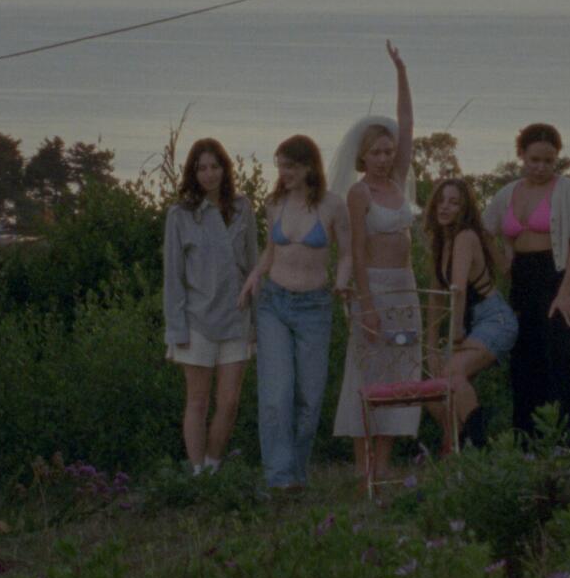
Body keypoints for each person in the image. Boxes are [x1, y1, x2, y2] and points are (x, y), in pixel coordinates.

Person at [330, 40, 421, 481]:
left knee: (399, 376)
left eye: (389, 151)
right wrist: (365, 305)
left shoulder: (400, 181)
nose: (386, 158)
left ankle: (383, 470)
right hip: (375, 291)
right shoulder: (359, 193)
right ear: (364, 156)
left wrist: (400, 72)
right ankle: (363, 471)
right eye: (378, 153)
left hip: (406, 288)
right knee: (367, 377)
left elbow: (407, 122)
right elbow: (358, 254)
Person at [239, 135, 351, 490]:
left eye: (290, 166)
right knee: (276, 394)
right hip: (274, 303)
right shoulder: (275, 203)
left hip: (314, 308)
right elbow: (271, 252)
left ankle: (296, 473)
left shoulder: (333, 206)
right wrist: (255, 275)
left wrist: (343, 283)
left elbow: (347, 253)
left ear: (308, 167)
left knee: (308, 397)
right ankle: (279, 479)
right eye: (281, 167)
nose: (283, 173)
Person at [483, 123, 570, 441]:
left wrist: (566, 293)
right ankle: (525, 444)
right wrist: (504, 265)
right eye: (535, 160)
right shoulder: (506, 194)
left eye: (548, 160)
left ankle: (564, 444)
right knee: (524, 364)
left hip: (558, 277)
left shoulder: (567, 190)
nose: (541, 167)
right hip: (523, 280)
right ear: (522, 156)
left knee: (558, 361)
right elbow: (484, 230)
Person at [163, 138, 258, 475]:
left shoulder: (243, 208)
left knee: (229, 402)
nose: (208, 174)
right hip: (196, 322)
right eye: (201, 168)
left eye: (214, 166)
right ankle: (198, 473)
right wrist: (176, 330)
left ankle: (214, 467)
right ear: (193, 172)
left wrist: (257, 322)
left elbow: (254, 265)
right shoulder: (180, 216)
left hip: (237, 318)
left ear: (224, 169)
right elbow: (173, 277)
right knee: (198, 401)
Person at [424, 178, 518, 450]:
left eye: (454, 203)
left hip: (493, 319)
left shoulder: (465, 237)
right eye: (441, 201)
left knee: (453, 373)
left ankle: (480, 448)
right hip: (467, 322)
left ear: (464, 209)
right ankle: (455, 451)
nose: (445, 207)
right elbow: (435, 297)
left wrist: (454, 337)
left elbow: (458, 291)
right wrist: (431, 346)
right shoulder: (441, 241)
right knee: (433, 391)